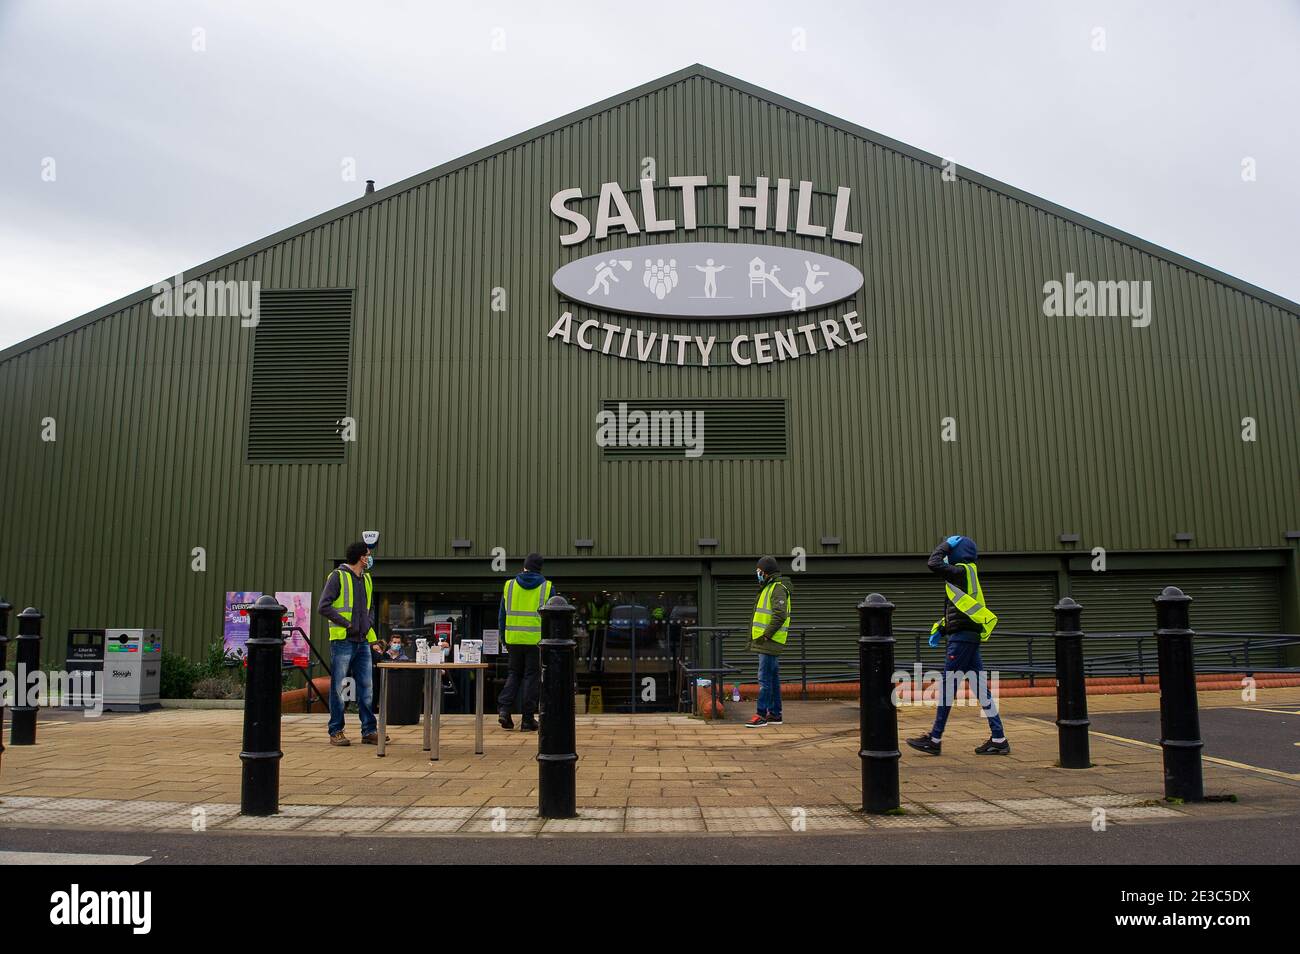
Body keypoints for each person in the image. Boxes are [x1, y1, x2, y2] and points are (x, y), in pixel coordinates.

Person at [906, 535, 1009, 755]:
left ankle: (934, 739)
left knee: (947, 687)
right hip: (967, 636)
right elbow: (963, 609)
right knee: (981, 689)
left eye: (952, 549)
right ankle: (999, 738)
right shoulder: (968, 573)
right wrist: (943, 628)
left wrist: (945, 546)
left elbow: (933, 563)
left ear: (957, 551)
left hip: (962, 639)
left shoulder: (961, 571)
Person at [318, 541, 384, 746]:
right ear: (361, 557)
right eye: (368, 554)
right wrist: (347, 624)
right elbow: (324, 606)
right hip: (342, 640)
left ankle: (369, 730)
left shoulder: (367, 579)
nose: (370, 558)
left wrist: (368, 624)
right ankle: (336, 731)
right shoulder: (337, 577)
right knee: (338, 688)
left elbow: (370, 607)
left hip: (362, 641)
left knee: (367, 687)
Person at [497, 552, 552, 731]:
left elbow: (502, 615)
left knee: (514, 674)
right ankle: (528, 719)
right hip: (536, 641)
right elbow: (552, 618)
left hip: (513, 639)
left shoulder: (509, 586)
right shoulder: (547, 587)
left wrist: (504, 638)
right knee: (532, 677)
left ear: (524, 566)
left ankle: (504, 710)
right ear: (540, 568)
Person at [745, 555, 791, 728]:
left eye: (759, 571)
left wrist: (766, 635)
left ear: (766, 572)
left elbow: (780, 615)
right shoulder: (768, 587)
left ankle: (761, 714)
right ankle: (775, 714)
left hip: (769, 642)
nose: (757, 573)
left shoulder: (777, 588)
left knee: (764, 679)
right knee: (772, 679)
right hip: (767, 641)